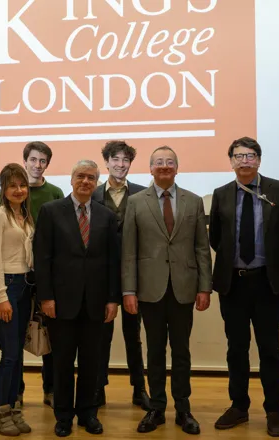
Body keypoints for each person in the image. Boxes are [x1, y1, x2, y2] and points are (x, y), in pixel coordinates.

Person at [121, 146, 213, 435]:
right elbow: (129, 251)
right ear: (150, 169)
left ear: (177, 167)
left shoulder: (193, 201)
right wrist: (128, 290)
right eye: (158, 162)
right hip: (149, 289)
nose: (164, 166)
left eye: (169, 162)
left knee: (182, 351)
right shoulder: (135, 202)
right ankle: (157, 408)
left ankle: (183, 409)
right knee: (156, 351)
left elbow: (201, 248)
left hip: (184, 288)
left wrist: (205, 287)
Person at [33, 159, 120, 437]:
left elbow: (112, 262)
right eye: (81, 176)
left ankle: (88, 413)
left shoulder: (107, 216)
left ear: (96, 183)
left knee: (92, 363)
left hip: (96, 303)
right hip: (60, 303)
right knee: (62, 363)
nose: (85, 181)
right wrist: (45, 297)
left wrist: (112, 299)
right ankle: (63, 416)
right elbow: (42, 258)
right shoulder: (50, 211)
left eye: (91, 178)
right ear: (72, 179)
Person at [209, 137, 279, 437]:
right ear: (231, 161)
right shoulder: (221, 194)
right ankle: (239, 406)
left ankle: (273, 410)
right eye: (238, 156)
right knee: (236, 349)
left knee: (270, 349)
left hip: (266, 283)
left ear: (259, 160)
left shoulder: (278, 190)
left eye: (250, 155)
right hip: (234, 285)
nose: (244, 161)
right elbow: (217, 237)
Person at [0, 141, 64, 408]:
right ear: (25, 161)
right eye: (33, 160)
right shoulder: (8, 197)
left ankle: (50, 389)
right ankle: (17, 390)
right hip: (17, 277)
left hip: (47, 275)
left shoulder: (56, 192)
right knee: (17, 336)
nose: (38, 165)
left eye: (43, 161)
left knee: (49, 333)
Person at [91, 140, 149, 410]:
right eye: (115, 159)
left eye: (126, 160)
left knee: (133, 335)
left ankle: (139, 389)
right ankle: (98, 389)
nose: (120, 164)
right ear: (106, 161)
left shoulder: (141, 194)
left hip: (134, 276)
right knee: (101, 336)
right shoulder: (91, 194)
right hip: (101, 277)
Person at [0, 164, 35, 436]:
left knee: (18, 356)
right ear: (4, 189)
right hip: (7, 289)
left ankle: (15, 409)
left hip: (25, 286)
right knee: (10, 354)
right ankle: (0, 412)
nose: (19, 190)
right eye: (13, 185)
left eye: (22, 185)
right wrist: (1, 296)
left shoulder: (24, 216)